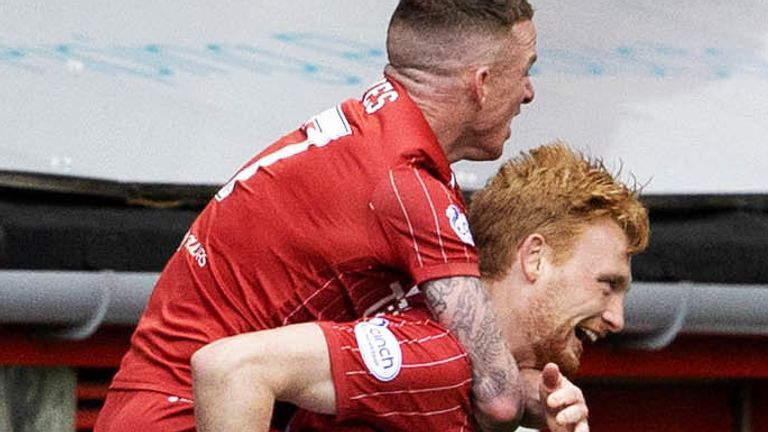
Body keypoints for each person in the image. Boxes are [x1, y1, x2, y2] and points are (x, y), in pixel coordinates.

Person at [95, 1, 539, 431]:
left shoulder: (374, 132)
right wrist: (530, 396)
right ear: (481, 83)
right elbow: (497, 398)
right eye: (525, 70)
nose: (528, 92)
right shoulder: (406, 186)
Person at [191, 142, 651, 432]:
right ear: (535, 258)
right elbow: (231, 369)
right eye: (607, 284)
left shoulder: (500, 385)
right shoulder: (436, 355)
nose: (618, 318)